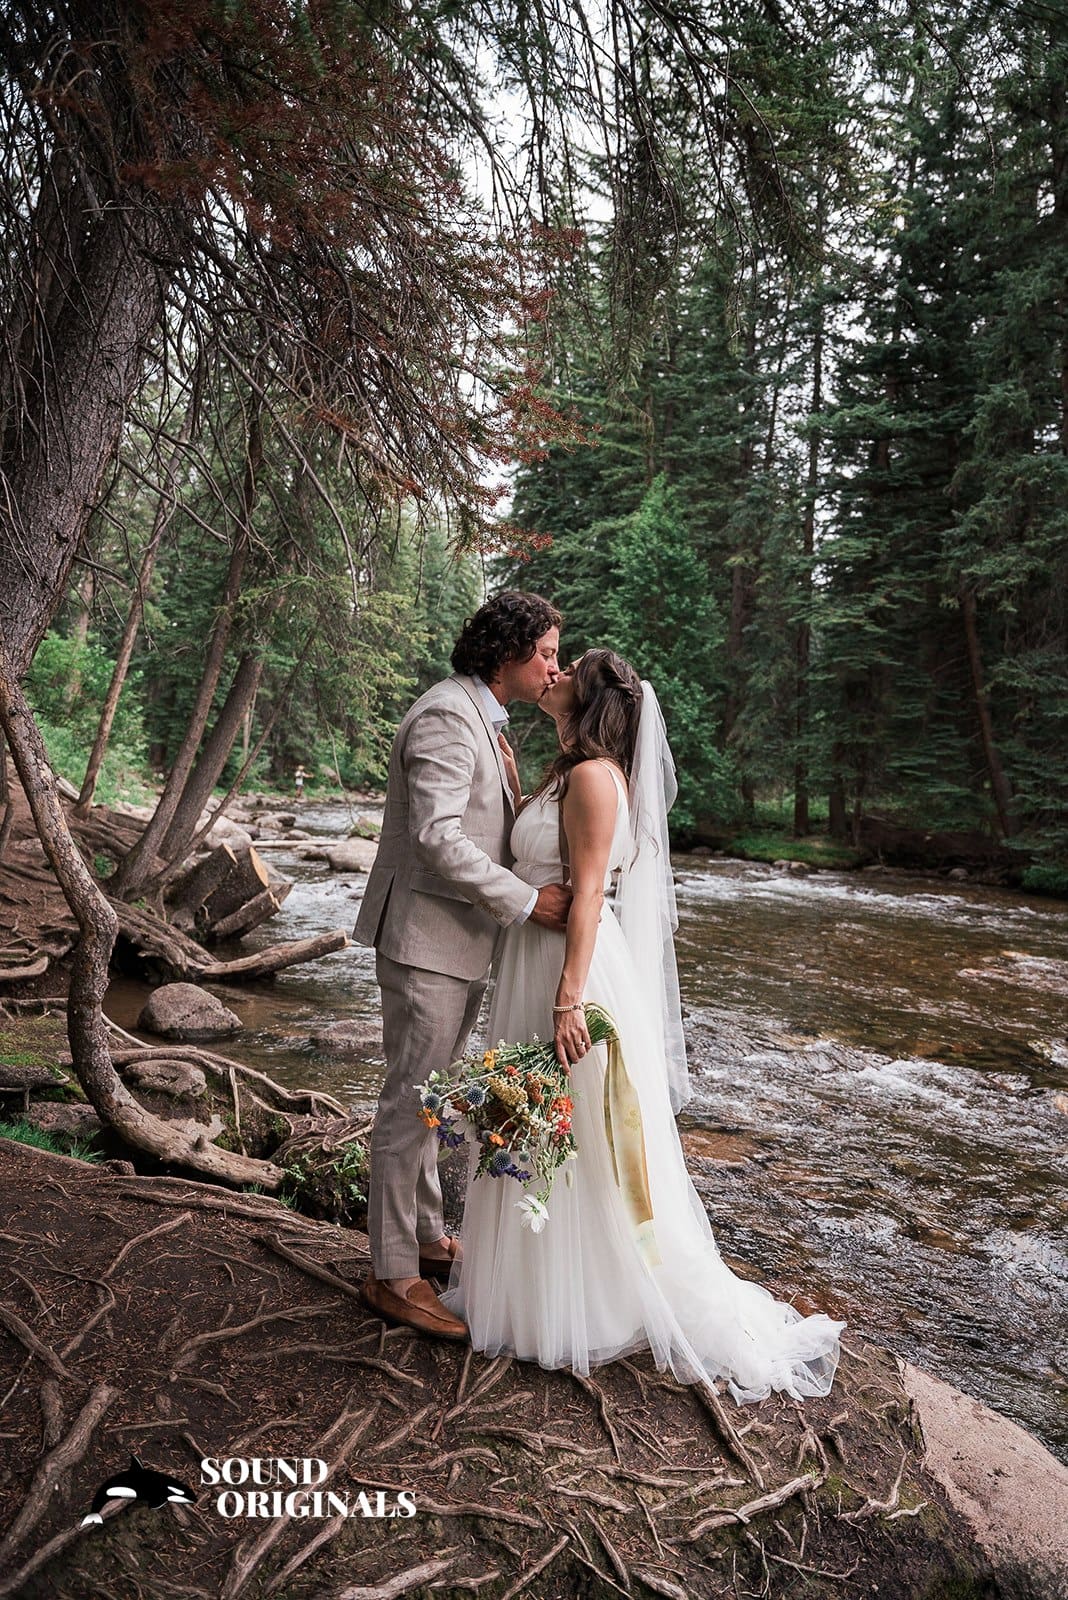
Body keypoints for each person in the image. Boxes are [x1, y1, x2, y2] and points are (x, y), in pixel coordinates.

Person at [442, 649, 844, 1402]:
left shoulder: (597, 778)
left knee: (575, 1134)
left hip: (571, 969)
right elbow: (537, 862)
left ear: (591, 700)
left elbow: (590, 895)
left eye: (569, 670)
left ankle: (585, 1308)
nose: (554, 675)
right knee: (532, 1124)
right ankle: (523, 1294)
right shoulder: (567, 772)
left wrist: (568, 1000)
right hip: (534, 958)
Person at [354, 592, 571, 1340]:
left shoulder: (483, 716)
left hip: (455, 941)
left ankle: (423, 1238)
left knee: (432, 1102)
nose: (555, 668)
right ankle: (392, 1274)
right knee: (408, 1103)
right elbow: (438, 837)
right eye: (546, 653)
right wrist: (526, 902)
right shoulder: (448, 715)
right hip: (426, 941)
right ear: (507, 653)